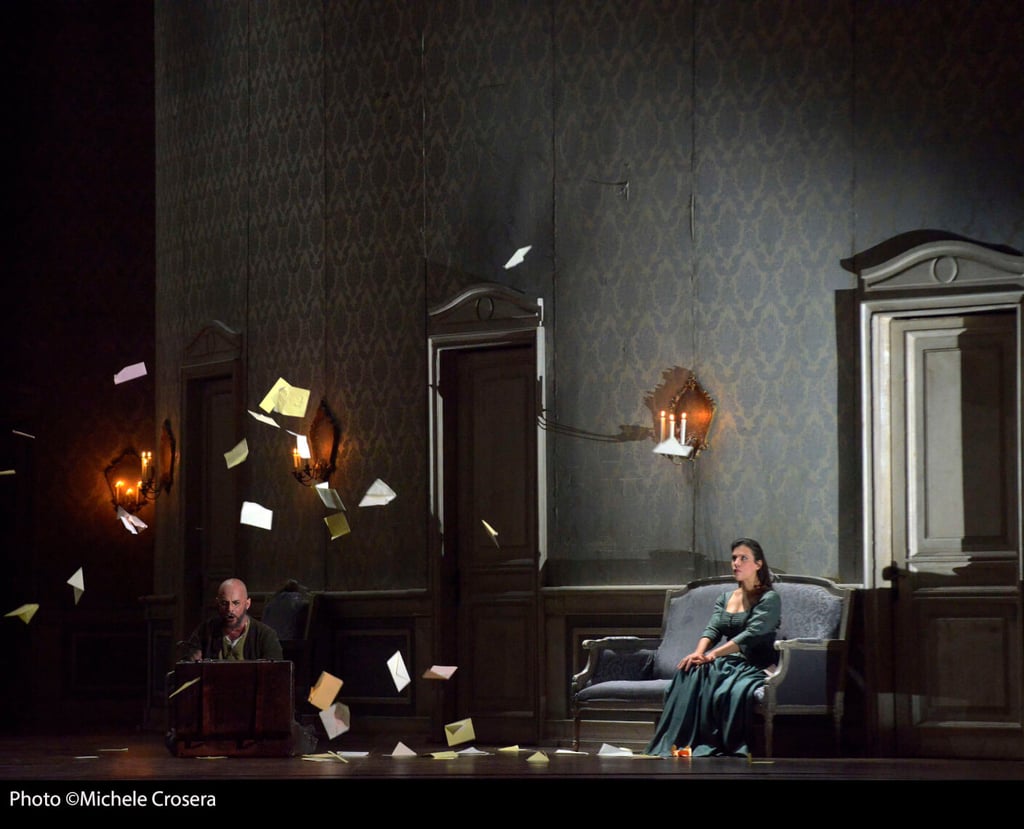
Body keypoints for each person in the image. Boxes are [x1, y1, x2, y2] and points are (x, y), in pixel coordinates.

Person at [645, 538, 780, 757]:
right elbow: (713, 629)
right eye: (734, 558)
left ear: (758, 564)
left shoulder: (769, 598)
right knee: (691, 670)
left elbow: (751, 635)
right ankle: (681, 742)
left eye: (743, 558)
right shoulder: (726, 598)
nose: (736, 563)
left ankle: (717, 743)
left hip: (756, 664)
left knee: (725, 685)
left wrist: (713, 654)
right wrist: (699, 653)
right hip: (728, 660)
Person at [185, 577, 283, 661]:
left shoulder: (265, 636)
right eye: (224, 603)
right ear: (217, 603)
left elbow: (275, 673)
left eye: (236, 603)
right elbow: (187, 666)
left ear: (247, 604)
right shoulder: (205, 632)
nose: (230, 609)